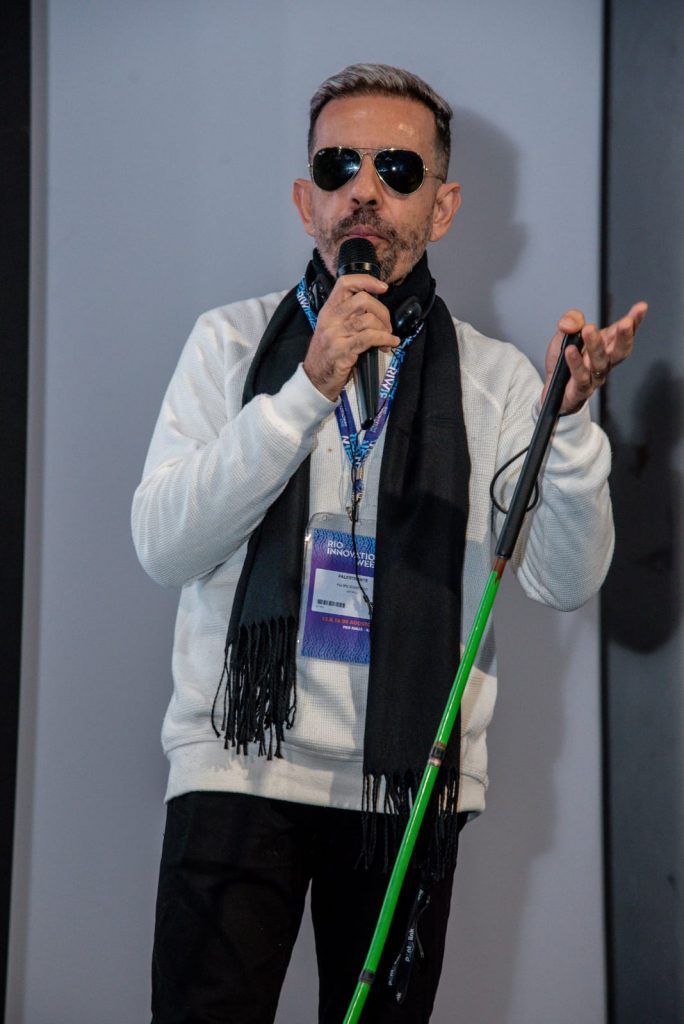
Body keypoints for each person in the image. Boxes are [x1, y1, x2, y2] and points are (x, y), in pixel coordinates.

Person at [132, 63, 647, 1024]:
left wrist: (568, 429)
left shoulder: (495, 381)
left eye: (398, 168)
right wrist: (306, 390)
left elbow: (566, 580)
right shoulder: (228, 344)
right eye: (339, 164)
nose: (364, 188)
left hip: (405, 792)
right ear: (306, 199)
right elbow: (164, 544)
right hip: (237, 769)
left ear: (442, 206)